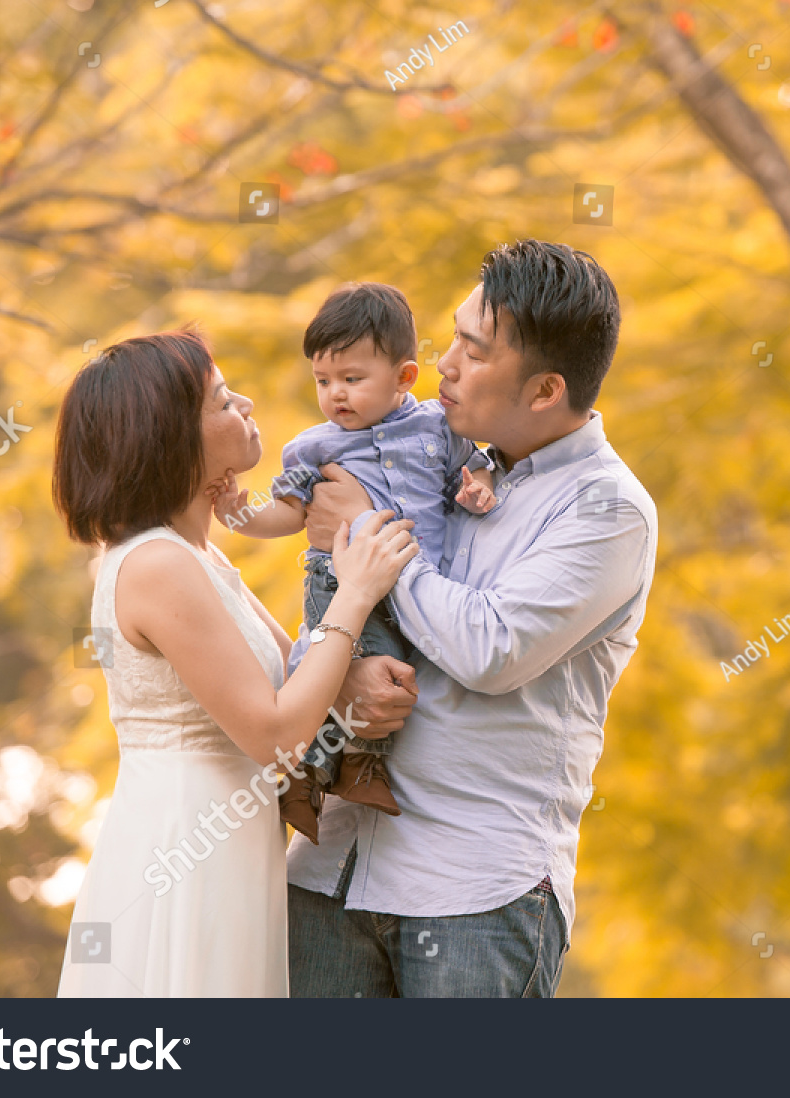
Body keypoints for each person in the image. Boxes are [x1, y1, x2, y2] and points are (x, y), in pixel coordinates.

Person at [287, 240, 658, 997]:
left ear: (546, 389)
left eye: (475, 350)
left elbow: (491, 648)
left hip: (475, 895)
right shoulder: (438, 462)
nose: (444, 364)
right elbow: (334, 604)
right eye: (453, 337)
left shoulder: (608, 510)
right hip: (330, 872)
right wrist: (338, 676)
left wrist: (367, 535)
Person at [51, 329, 417, 997]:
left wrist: (356, 678)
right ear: (170, 437)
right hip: (187, 848)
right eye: (222, 401)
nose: (245, 404)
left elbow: (298, 674)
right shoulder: (156, 564)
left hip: (229, 840)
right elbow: (275, 734)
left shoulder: (197, 555)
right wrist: (357, 590)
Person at [211, 283, 496, 831]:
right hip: (337, 578)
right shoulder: (315, 447)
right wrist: (240, 516)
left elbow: (476, 463)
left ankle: (339, 768)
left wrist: (478, 486)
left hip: (415, 585)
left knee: (391, 675)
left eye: (352, 379)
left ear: (404, 376)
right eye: (323, 381)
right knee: (343, 663)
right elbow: (290, 514)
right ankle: (319, 772)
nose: (335, 394)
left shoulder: (437, 428)